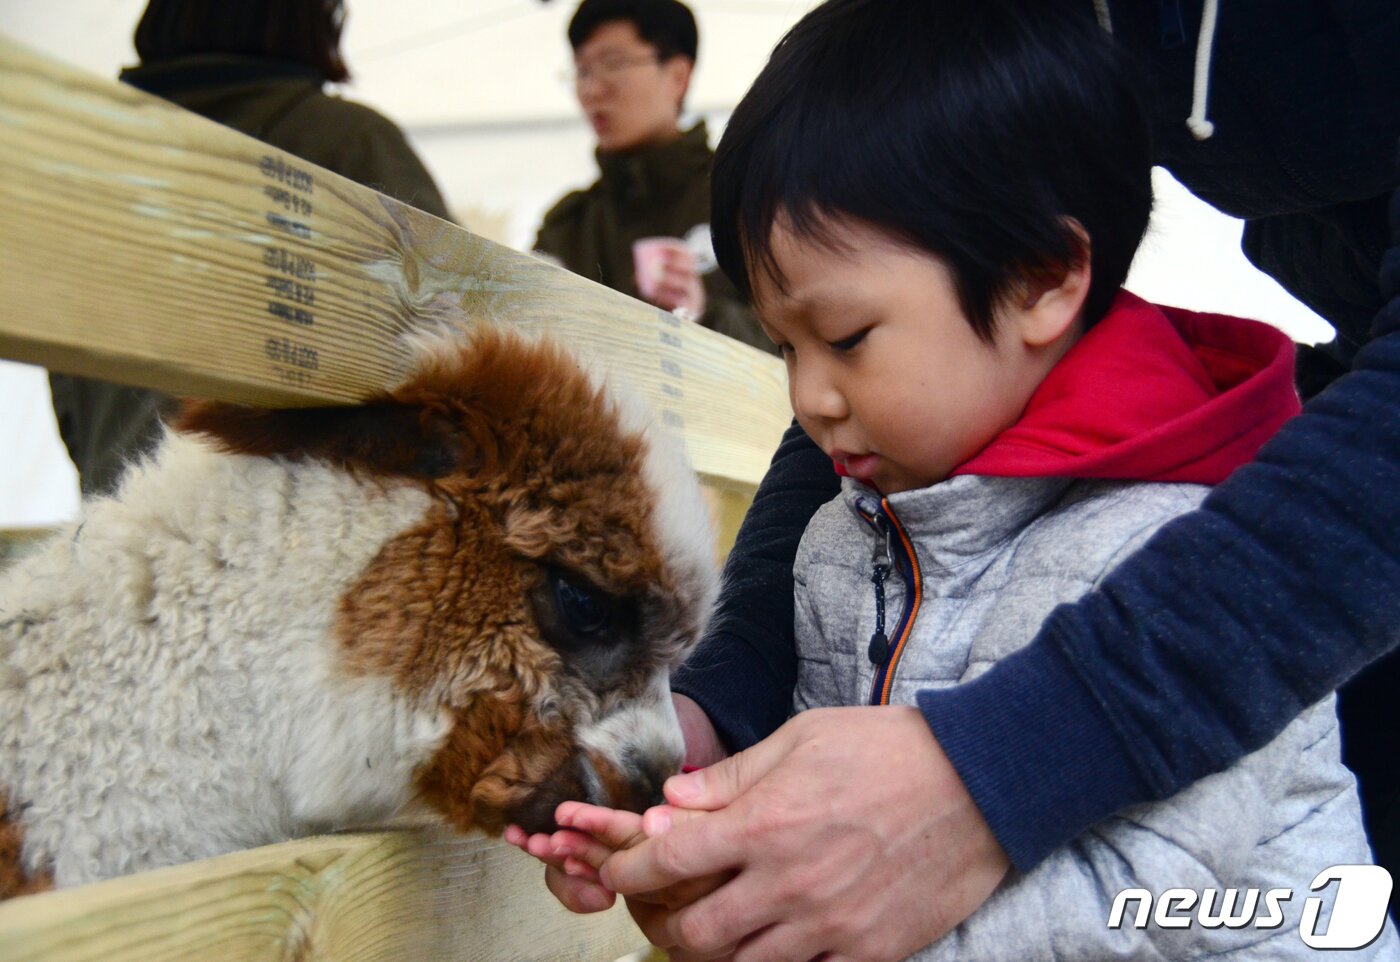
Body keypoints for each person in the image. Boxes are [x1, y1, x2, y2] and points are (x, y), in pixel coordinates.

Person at [510, 0, 1400, 959]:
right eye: (785, 346)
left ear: (1039, 280)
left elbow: (1136, 903)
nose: (808, 398)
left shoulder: (1161, 539)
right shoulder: (849, 530)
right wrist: (703, 818)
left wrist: (821, 926)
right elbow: (836, 800)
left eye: (847, 338)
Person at [50, 0, 451, 496]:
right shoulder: (348, 142)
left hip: (122, 521)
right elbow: (462, 351)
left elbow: (70, 399)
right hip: (298, 530)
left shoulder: (89, 159)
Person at [532, 0, 771, 353]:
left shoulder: (747, 197)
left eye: (614, 64)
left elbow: (802, 344)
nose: (592, 90)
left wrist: (704, 314)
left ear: (678, 76)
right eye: (582, 71)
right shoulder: (568, 228)